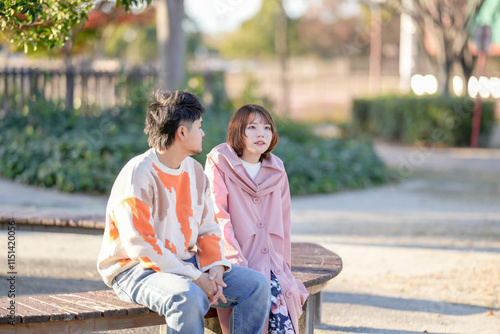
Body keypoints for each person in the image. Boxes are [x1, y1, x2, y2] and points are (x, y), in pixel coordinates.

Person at [97, 90, 271, 334]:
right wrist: (195, 277)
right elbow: (141, 245)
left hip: (184, 263)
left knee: (257, 285)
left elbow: (208, 227)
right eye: (199, 127)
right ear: (181, 132)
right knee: (187, 297)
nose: (203, 133)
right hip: (134, 269)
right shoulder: (138, 174)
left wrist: (215, 268)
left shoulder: (195, 172)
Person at [204, 104, 309, 334]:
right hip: (233, 261)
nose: (261, 133)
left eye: (267, 128)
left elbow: (284, 224)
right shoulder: (220, 162)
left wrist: (284, 269)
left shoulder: (277, 169)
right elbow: (217, 216)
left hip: (271, 264)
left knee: (281, 294)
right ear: (237, 131)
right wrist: (235, 261)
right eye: (251, 127)